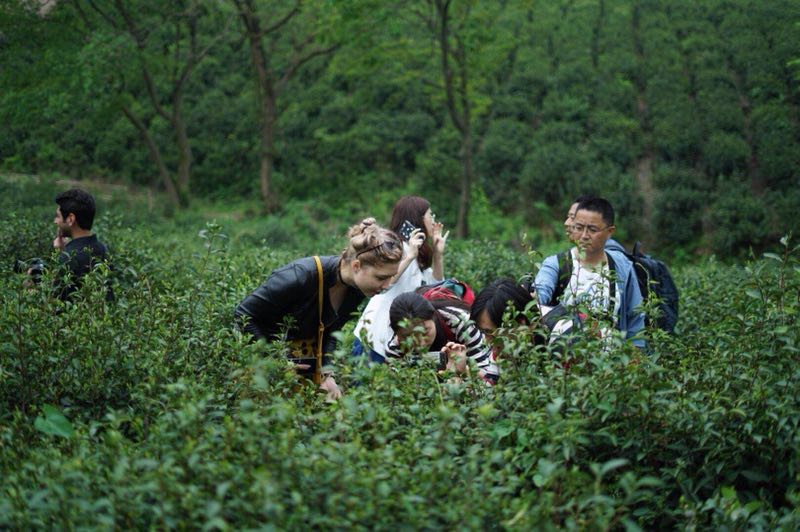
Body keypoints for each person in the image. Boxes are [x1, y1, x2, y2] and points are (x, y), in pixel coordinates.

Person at [235, 218, 403, 400]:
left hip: (299, 371)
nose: (387, 285)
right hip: (261, 368)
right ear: (356, 266)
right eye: (381, 278)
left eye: (390, 277)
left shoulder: (357, 290)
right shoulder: (299, 276)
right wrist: (273, 359)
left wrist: (327, 373)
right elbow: (243, 314)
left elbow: (331, 331)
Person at [534, 197, 645, 348]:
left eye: (592, 230)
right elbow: (541, 291)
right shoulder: (557, 264)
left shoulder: (622, 267)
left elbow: (635, 319)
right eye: (579, 228)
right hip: (562, 360)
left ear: (609, 232)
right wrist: (533, 297)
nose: (584, 236)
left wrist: (636, 356)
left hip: (609, 364)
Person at [352, 196, 447, 363]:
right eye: (429, 216)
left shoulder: (417, 254)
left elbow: (434, 289)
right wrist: (408, 257)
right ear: (417, 219)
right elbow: (385, 284)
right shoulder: (397, 250)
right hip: (374, 339)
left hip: (395, 342)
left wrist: (438, 255)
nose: (433, 221)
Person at [385, 291, 499, 384]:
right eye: (408, 337)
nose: (421, 344)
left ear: (433, 316)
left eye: (425, 332)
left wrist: (463, 371)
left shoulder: (460, 322)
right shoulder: (395, 349)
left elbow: (489, 379)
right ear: (396, 333)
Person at [49, 188, 112, 301]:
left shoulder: (67, 259)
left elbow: (54, 304)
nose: (55, 221)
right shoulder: (103, 249)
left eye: (58, 216)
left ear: (70, 219)